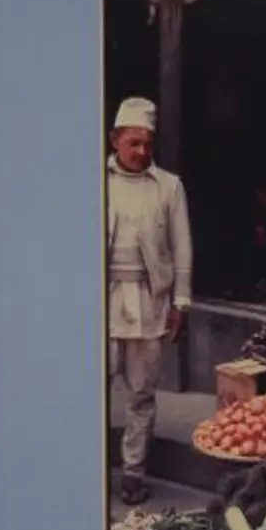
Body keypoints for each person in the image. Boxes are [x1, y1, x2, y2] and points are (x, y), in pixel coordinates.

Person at [107, 97, 193, 505]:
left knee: (141, 395)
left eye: (147, 144)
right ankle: (86, 467)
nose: (141, 152)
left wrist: (181, 303)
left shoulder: (169, 187)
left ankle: (133, 474)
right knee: (92, 391)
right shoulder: (93, 181)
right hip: (99, 302)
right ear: (114, 140)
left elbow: (182, 249)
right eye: (133, 143)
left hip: (148, 300)